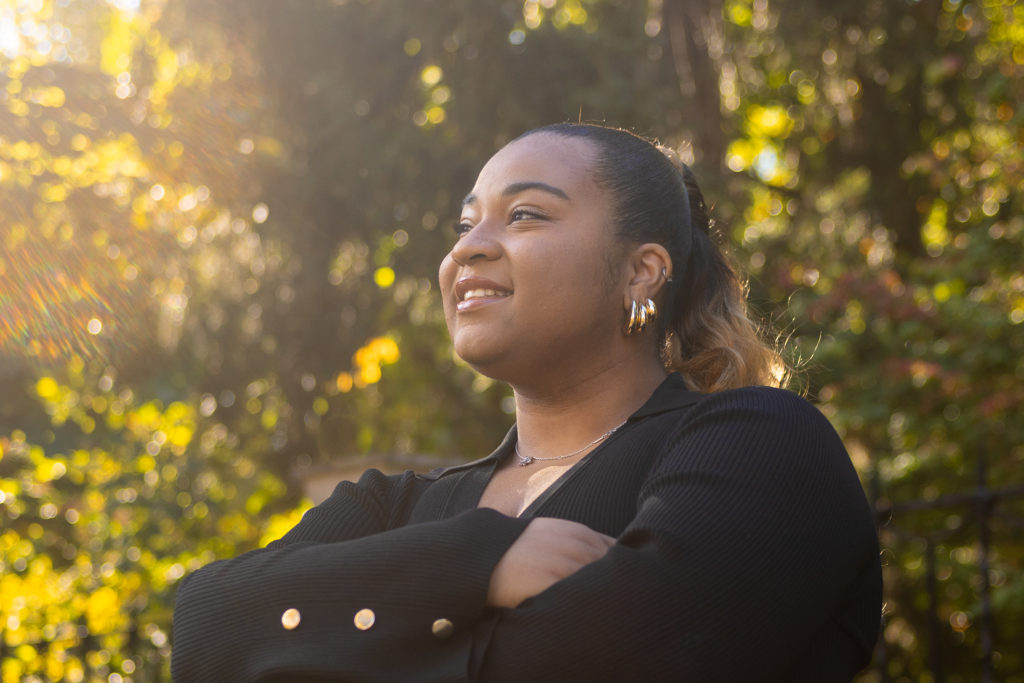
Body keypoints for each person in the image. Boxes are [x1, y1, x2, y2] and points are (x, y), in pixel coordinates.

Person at [170, 123, 882, 682]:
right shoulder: (396, 506)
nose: (468, 250)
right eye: (465, 224)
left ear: (641, 272)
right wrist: (477, 561)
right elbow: (205, 622)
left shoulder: (763, 444)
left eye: (526, 215)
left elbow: (617, 665)